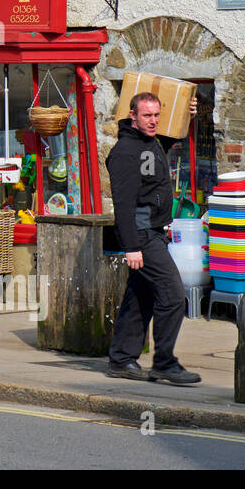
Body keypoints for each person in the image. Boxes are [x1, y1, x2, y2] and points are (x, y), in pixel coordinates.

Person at [106, 91, 200, 385]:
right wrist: (131, 246)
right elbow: (122, 203)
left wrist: (187, 113)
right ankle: (164, 363)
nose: (154, 121)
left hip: (154, 233)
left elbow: (165, 145)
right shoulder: (125, 152)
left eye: (157, 115)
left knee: (140, 297)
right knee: (172, 295)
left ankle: (121, 359)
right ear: (132, 115)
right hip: (142, 235)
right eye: (147, 116)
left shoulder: (151, 143)